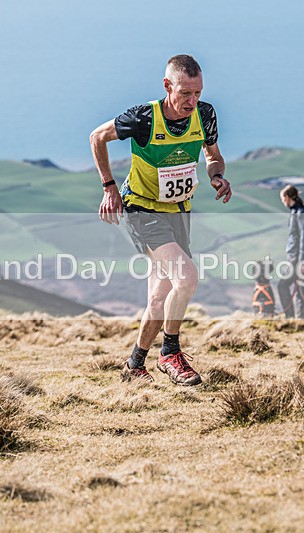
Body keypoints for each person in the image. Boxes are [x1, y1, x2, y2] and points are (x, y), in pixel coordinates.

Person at [89, 54, 232, 385]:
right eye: (185, 93)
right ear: (168, 86)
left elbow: (213, 155)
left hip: (179, 213)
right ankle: (170, 353)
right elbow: (97, 137)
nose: (191, 101)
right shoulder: (143, 118)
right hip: (142, 210)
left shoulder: (205, 114)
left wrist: (217, 176)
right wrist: (109, 188)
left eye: (197, 93)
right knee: (188, 278)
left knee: (160, 297)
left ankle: (135, 364)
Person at [277, 185, 304, 319]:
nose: (283, 202)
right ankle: (302, 319)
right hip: (299, 256)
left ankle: (290, 318)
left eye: (283, 199)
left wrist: (302, 262)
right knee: (300, 287)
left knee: (282, 286)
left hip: (296, 257)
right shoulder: (298, 213)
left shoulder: (300, 214)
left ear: (287, 197)